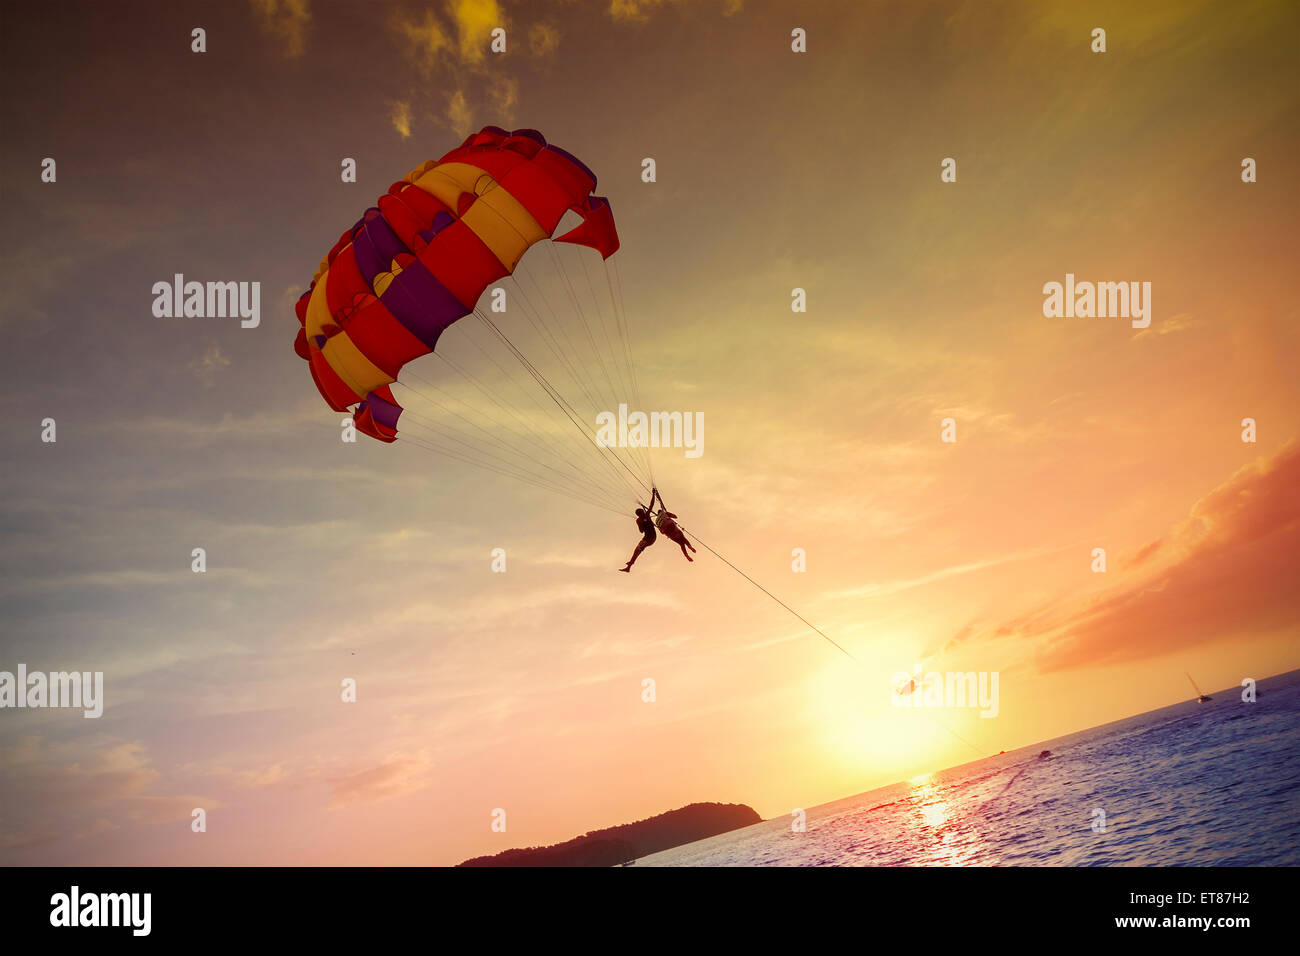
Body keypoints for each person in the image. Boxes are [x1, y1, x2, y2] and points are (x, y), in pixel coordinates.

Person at [650, 489, 696, 563]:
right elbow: (675, 516)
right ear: (661, 511)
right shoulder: (664, 513)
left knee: (681, 544)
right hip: (671, 526)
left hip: (668, 532)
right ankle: (689, 546)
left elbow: (661, 532)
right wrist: (669, 514)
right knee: (683, 539)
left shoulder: (656, 521)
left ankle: (686, 555)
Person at [619, 505, 656, 572]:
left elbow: (651, 505)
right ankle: (629, 567)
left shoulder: (646, 515)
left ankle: (630, 565)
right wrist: (641, 523)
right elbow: (641, 531)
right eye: (641, 513)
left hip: (650, 537)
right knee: (637, 550)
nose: (642, 514)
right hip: (648, 538)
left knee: (637, 550)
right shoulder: (640, 519)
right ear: (640, 514)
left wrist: (654, 494)